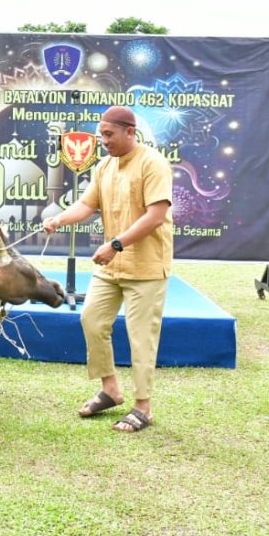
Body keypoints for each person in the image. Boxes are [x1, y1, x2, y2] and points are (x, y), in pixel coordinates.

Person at [42, 106, 173, 433]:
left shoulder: (153, 163)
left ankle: (143, 408)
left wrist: (115, 245)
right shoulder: (104, 166)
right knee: (92, 319)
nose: (103, 141)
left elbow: (155, 216)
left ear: (130, 132)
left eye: (109, 135)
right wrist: (59, 219)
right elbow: (88, 205)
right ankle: (110, 390)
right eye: (101, 135)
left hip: (145, 267)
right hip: (112, 268)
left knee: (141, 337)